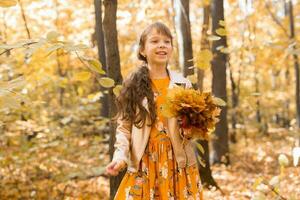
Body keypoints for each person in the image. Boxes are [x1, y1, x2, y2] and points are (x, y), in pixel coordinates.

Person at [106, 22, 204, 200]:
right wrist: (120, 156)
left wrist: (190, 131)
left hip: (178, 163)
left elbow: (192, 128)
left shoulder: (183, 84)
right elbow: (124, 126)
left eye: (167, 41)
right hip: (144, 164)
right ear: (143, 50)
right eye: (155, 41)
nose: (162, 45)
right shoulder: (133, 85)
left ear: (172, 48)